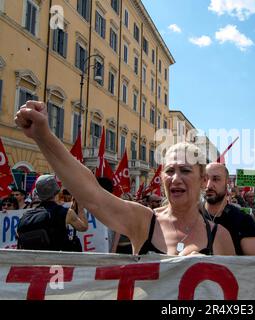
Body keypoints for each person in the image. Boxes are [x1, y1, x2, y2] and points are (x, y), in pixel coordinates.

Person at [15, 100, 235, 256]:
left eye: (185, 171)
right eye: (169, 171)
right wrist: (43, 135)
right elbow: (91, 194)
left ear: (202, 178)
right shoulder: (142, 220)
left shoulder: (220, 236)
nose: (175, 178)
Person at [202, 163, 255, 256]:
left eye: (216, 179)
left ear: (227, 184)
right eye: (205, 179)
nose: (209, 185)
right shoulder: (191, 217)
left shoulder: (243, 221)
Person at [17, 174, 88, 251]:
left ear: (37, 194)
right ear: (56, 191)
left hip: (33, 261)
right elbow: (83, 227)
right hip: (57, 260)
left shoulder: (26, 216)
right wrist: (80, 205)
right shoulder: (66, 213)